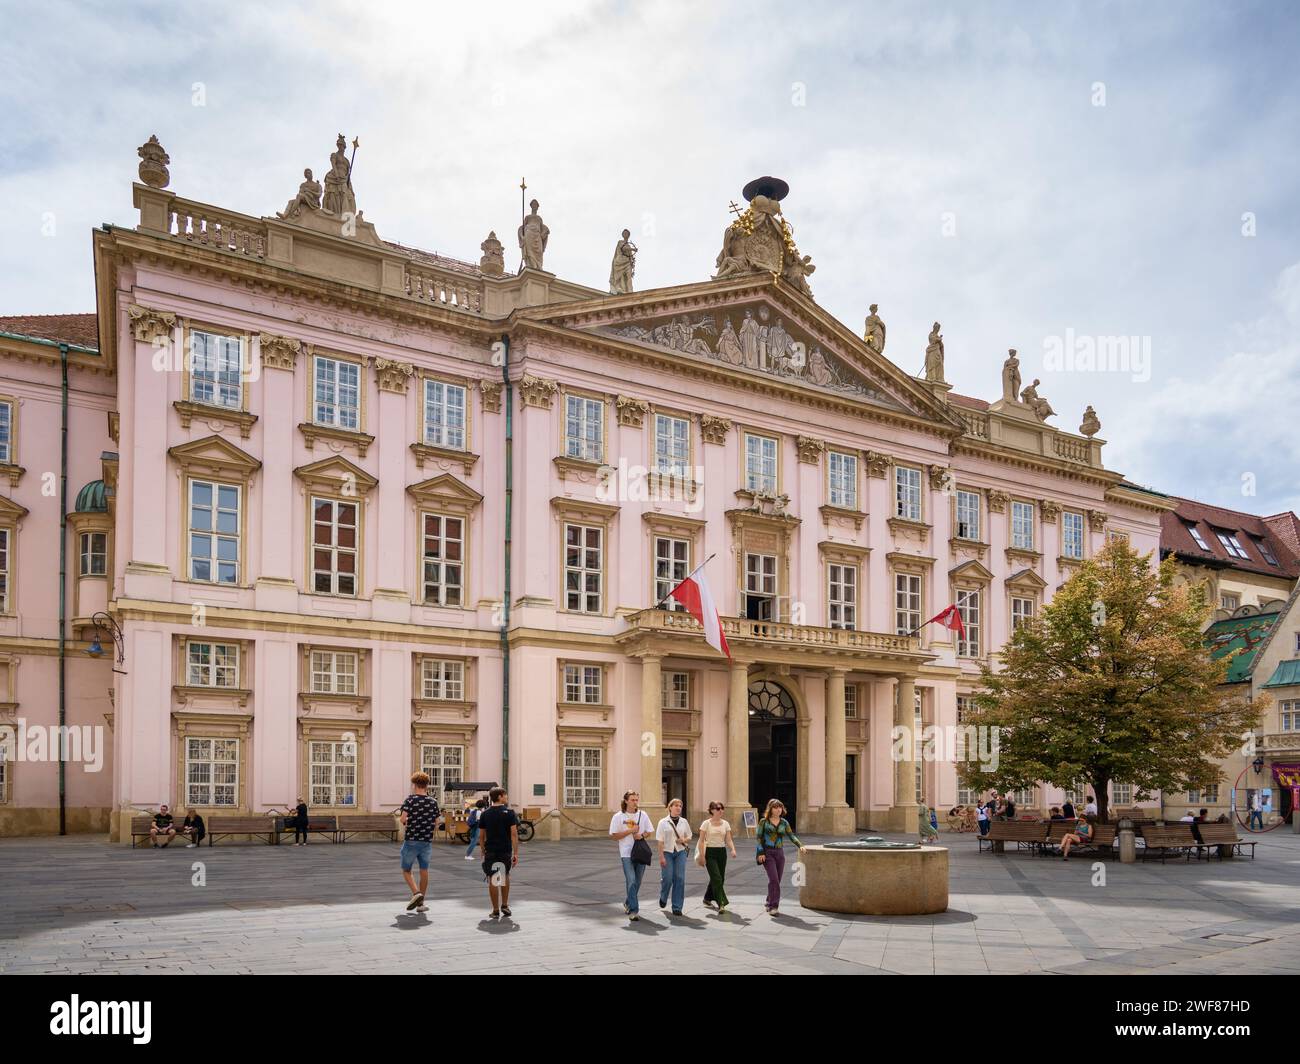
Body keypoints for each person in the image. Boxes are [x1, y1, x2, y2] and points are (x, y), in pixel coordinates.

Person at [610, 790, 654, 921]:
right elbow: (613, 836)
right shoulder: (619, 816)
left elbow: (649, 831)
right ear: (626, 801)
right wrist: (630, 831)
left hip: (640, 852)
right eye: (633, 800)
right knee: (632, 880)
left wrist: (641, 835)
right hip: (626, 853)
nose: (635, 802)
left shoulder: (643, 814)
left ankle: (628, 902)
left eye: (636, 800)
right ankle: (634, 910)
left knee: (638, 881)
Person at [399, 772, 439, 913]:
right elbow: (437, 822)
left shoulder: (410, 800)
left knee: (406, 870)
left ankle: (416, 893)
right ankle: (421, 905)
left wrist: (411, 821)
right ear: (427, 785)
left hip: (411, 840)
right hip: (426, 841)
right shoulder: (433, 802)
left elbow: (403, 819)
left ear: (414, 784)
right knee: (424, 870)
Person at [756, 799, 805, 916]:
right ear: (770, 809)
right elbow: (758, 838)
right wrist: (761, 852)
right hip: (767, 853)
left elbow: (791, 836)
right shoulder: (764, 822)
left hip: (780, 853)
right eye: (775, 807)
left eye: (780, 807)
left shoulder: (784, 822)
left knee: (776, 880)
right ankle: (774, 906)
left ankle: (769, 900)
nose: (778, 809)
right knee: (774, 880)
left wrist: (800, 845)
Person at [478, 787, 519, 919]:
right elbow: (514, 834)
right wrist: (516, 853)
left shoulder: (485, 814)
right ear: (500, 796)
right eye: (505, 795)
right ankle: (505, 905)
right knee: (504, 875)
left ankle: (495, 910)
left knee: (493, 878)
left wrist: (483, 850)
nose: (506, 797)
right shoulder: (510, 813)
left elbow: (481, 836)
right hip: (505, 850)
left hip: (491, 850)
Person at [656, 798, 693, 916]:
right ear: (670, 807)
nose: (678, 808)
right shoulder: (663, 822)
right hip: (667, 852)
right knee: (667, 878)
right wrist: (661, 857)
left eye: (680, 806)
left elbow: (690, 836)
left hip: (680, 852)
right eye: (676, 805)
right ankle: (663, 896)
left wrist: (683, 840)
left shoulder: (684, 822)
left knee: (680, 878)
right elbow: (660, 841)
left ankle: (677, 906)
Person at [698, 801, 736, 912]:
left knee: (720, 878)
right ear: (712, 810)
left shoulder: (725, 823)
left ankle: (707, 898)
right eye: (718, 808)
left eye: (722, 808)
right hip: (710, 852)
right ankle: (721, 903)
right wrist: (702, 856)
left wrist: (732, 849)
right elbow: (701, 841)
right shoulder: (706, 823)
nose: (721, 811)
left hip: (721, 852)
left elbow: (728, 839)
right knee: (717, 878)